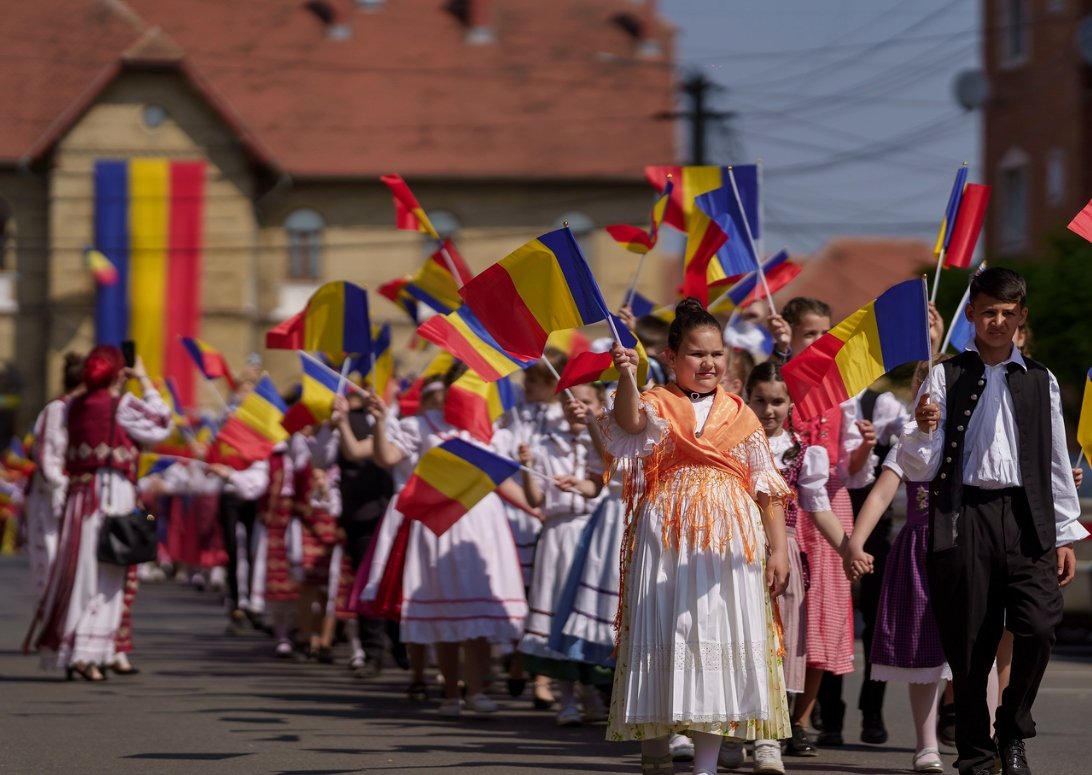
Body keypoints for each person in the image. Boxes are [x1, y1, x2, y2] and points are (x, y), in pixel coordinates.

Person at [899, 267, 1087, 775]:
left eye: (1007, 313)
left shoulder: (1042, 379)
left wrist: (1065, 533)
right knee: (970, 643)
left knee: (1039, 625)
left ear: (1021, 315)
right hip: (966, 517)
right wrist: (921, 429)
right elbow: (920, 467)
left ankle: (1012, 729)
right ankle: (976, 755)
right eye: (988, 313)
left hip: (1027, 517)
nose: (998, 322)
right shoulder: (945, 376)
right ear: (971, 315)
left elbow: (1054, 460)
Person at [604, 298, 792, 775]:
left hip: (731, 542)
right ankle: (656, 747)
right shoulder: (656, 403)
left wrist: (779, 550)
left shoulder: (741, 413)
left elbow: (767, 487)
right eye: (696, 353)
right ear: (671, 356)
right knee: (668, 633)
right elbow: (627, 423)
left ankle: (705, 766)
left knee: (716, 639)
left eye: (716, 354)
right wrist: (626, 375)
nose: (708, 363)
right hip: (667, 537)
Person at [369, 365, 532, 718]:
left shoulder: (491, 432)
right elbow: (386, 458)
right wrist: (381, 421)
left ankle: (476, 690)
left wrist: (537, 510)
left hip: (482, 523)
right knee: (445, 608)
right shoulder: (422, 424)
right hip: (439, 522)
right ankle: (450, 694)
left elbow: (499, 482)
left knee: (478, 610)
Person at [744, 361, 865, 765]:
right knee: (741, 641)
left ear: (791, 404)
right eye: (760, 400)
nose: (769, 410)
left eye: (777, 401)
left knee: (780, 646)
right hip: (739, 550)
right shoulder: (735, 446)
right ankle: (734, 728)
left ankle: (769, 736)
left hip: (786, 554)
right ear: (747, 399)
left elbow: (818, 507)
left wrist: (849, 549)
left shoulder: (802, 452)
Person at [29, 346, 172, 680]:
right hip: (112, 493)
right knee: (110, 570)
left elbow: (53, 452)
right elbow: (162, 423)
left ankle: (75, 649)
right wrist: (145, 380)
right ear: (119, 373)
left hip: (80, 495)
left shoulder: (72, 406)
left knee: (80, 570)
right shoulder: (121, 405)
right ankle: (89, 651)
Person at [844, 358, 952, 774]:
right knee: (924, 647)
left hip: (970, 547)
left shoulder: (971, 434)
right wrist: (856, 541)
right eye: (926, 386)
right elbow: (881, 492)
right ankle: (927, 744)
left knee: (978, 646)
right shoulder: (909, 438)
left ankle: (986, 735)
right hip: (923, 547)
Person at [517, 383, 608, 727]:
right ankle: (566, 697)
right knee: (558, 612)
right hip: (557, 535)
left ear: (599, 403)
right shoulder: (544, 442)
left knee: (588, 612)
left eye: (585, 400)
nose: (576, 406)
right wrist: (526, 467)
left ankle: (590, 692)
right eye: (569, 399)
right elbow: (535, 500)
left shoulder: (603, 440)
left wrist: (580, 483)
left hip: (593, 533)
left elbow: (601, 482)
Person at [24, 352, 84, 601]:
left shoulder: (82, 410)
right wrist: (61, 486)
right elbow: (46, 457)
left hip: (73, 494)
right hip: (50, 497)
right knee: (50, 559)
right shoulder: (56, 409)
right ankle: (49, 613)